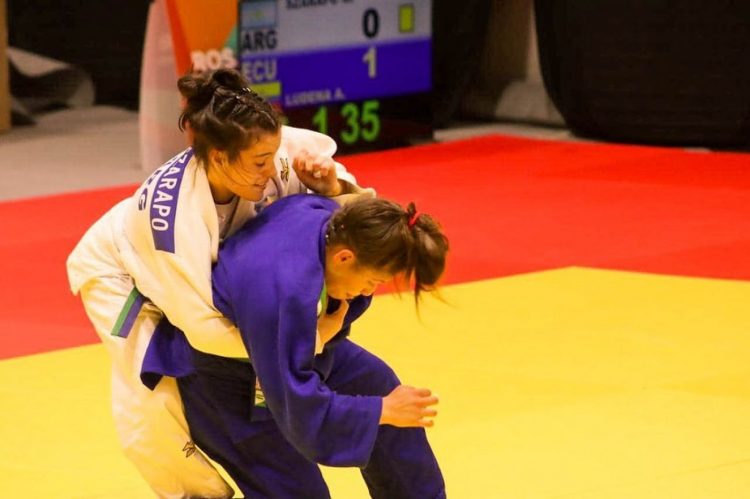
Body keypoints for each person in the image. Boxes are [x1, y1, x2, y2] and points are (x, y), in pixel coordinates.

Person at [66, 68, 372, 498]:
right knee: (154, 402)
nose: (272, 170)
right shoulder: (174, 224)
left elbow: (365, 219)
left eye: (273, 155)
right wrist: (310, 339)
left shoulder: (272, 143)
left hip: (206, 270)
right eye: (259, 163)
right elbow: (206, 332)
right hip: (123, 273)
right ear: (219, 158)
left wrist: (334, 186)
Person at [142, 195, 450, 499]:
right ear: (344, 257)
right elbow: (298, 406)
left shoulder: (327, 218)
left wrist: (330, 181)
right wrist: (379, 410)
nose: (367, 292)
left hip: (283, 346)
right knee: (305, 490)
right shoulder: (282, 291)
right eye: (372, 282)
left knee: (377, 385)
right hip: (218, 381)